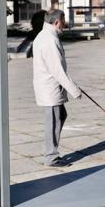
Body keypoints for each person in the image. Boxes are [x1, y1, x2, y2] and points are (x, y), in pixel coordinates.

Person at [32, 9, 82, 167]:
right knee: (53, 121)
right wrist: (75, 90)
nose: (65, 24)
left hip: (49, 86)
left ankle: (48, 149)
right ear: (56, 22)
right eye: (64, 21)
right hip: (49, 87)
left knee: (60, 115)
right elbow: (57, 70)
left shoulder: (46, 35)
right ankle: (51, 157)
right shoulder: (49, 40)